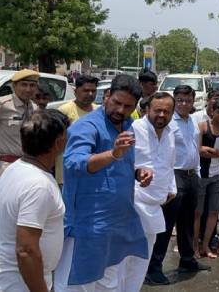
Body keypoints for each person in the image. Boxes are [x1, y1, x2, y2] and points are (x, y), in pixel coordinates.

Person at [54, 74, 153, 291]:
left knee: (111, 283)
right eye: (117, 102)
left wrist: (138, 173)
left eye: (127, 106)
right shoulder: (86, 126)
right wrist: (113, 154)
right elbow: (74, 163)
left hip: (117, 223)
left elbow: (120, 165)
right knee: (78, 284)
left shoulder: (128, 125)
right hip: (88, 227)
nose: (120, 110)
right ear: (106, 96)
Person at [146, 85, 209, 286]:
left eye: (187, 100)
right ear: (175, 101)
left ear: (193, 102)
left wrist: (197, 173)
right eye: (180, 100)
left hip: (192, 176)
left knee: (187, 222)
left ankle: (187, 259)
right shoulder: (168, 123)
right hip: (174, 176)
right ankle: (154, 268)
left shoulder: (192, 121)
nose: (184, 104)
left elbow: (194, 149)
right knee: (165, 224)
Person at [0, 110, 68, 292]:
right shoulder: (38, 186)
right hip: (21, 282)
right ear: (59, 143)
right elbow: (26, 250)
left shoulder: (15, 169)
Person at [125, 92, 177, 289]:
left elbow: (169, 164)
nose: (162, 115)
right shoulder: (134, 129)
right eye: (158, 110)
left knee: (142, 260)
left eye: (167, 111)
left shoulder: (171, 132)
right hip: (133, 204)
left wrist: (171, 188)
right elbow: (122, 163)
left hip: (156, 205)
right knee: (126, 260)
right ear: (147, 109)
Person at [194, 98, 219, 259]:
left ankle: (206, 245)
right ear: (212, 111)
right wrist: (218, 152)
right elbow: (198, 151)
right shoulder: (202, 126)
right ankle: (195, 246)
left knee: (214, 211)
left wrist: (211, 150)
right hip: (201, 174)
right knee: (197, 212)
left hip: (217, 175)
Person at [0, 69, 39, 178]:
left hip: (28, 166)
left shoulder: (34, 108)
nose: (28, 89)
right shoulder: (3, 105)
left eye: (32, 85)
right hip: (5, 166)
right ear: (14, 86)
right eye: (24, 85)